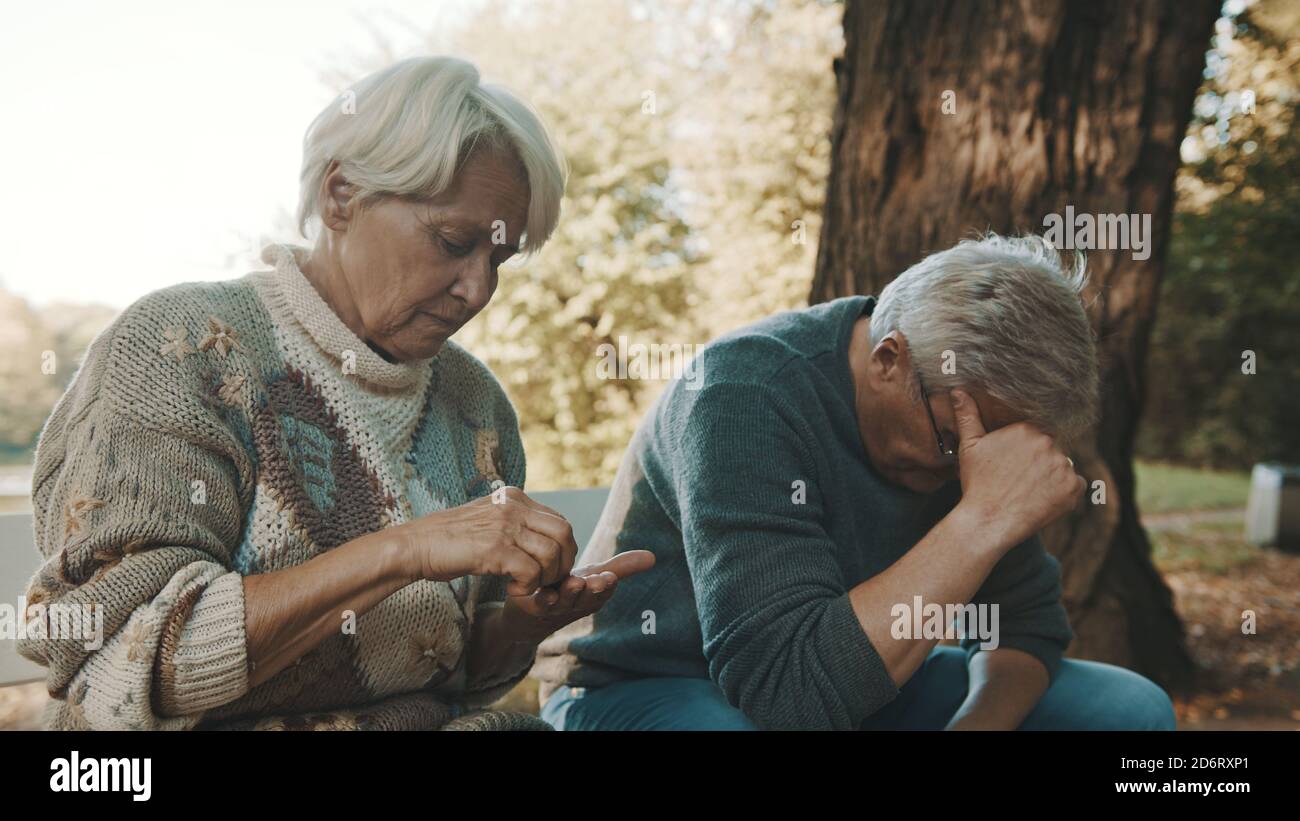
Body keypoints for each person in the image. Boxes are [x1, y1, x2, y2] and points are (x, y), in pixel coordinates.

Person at [17, 56, 652, 731]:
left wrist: (522, 624)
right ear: (340, 196)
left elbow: (455, 677)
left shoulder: (476, 406)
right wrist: (404, 548)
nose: (478, 289)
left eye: (498, 258)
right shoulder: (181, 348)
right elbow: (115, 663)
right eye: (453, 242)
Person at [535, 233, 1177, 730]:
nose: (970, 473)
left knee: (1129, 709)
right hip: (645, 683)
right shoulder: (743, 393)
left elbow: (1023, 628)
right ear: (888, 360)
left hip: (856, 682)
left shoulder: (967, 410)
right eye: (953, 444)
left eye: (994, 457)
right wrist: (980, 519)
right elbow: (786, 696)